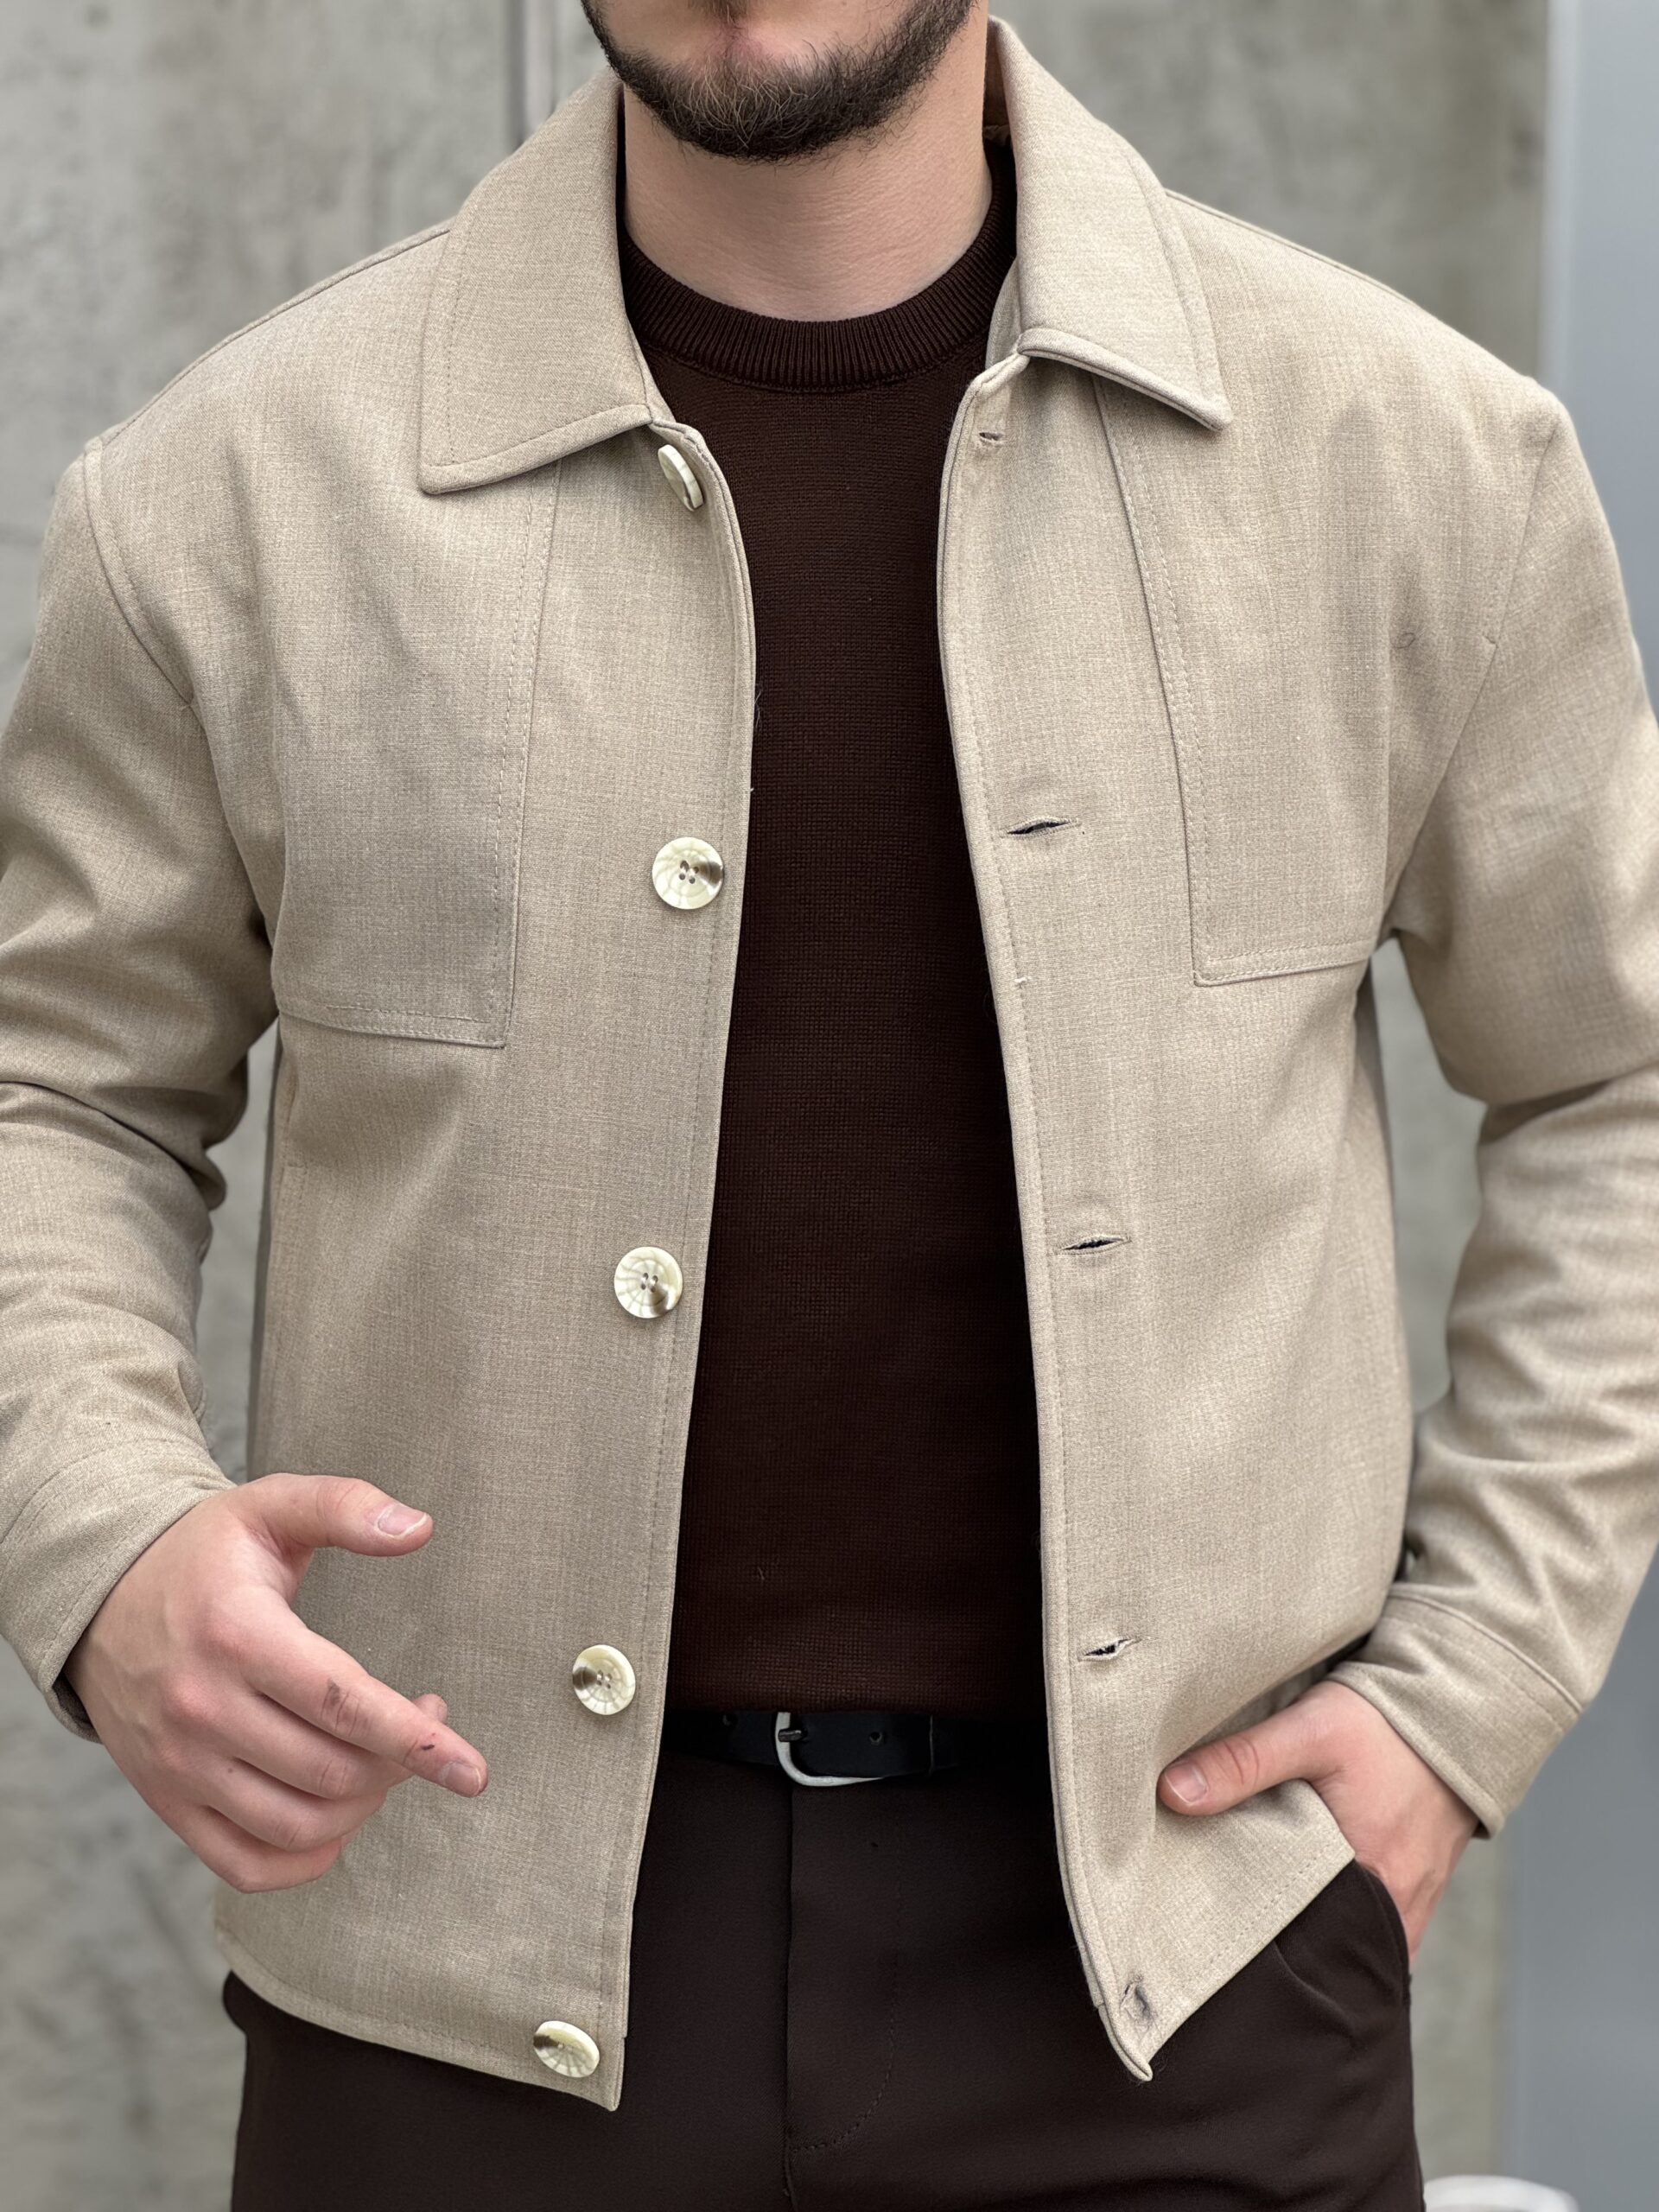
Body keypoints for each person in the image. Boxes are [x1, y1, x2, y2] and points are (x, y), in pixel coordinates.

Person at [2, 3, 1655, 2204]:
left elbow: (1619, 1074)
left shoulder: (1409, 458)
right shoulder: (232, 496)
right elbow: (55, 1085)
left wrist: (1468, 1685)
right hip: (449, 1966)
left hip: (1187, 1976)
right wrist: (101, 1535)